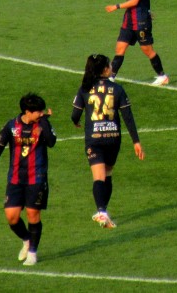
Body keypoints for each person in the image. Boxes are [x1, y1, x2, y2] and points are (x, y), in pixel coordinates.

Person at [71, 53, 145, 229]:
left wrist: (76, 122)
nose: (112, 67)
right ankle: (103, 210)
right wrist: (136, 141)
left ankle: (101, 210)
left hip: (94, 139)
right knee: (108, 174)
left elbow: (75, 115)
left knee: (98, 176)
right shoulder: (117, 89)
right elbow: (128, 116)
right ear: (105, 70)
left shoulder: (85, 88)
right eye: (110, 65)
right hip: (113, 138)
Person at [0, 93, 57, 266]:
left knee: (33, 214)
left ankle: (33, 252)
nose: (40, 113)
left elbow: (52, 142)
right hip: (16, 178)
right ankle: (26, 239)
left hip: (37, 176)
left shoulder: (42, 124)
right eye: (37, 111)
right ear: (27, 111)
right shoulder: (12, 126)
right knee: (12, 217)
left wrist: (44, 121)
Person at [105, 0, 169, 86]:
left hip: (140, 20)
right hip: (129, 19)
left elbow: (135, 1)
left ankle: (162, 76)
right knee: (120, 48)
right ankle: (111, 78)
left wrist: (116, 6)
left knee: (147, 50)